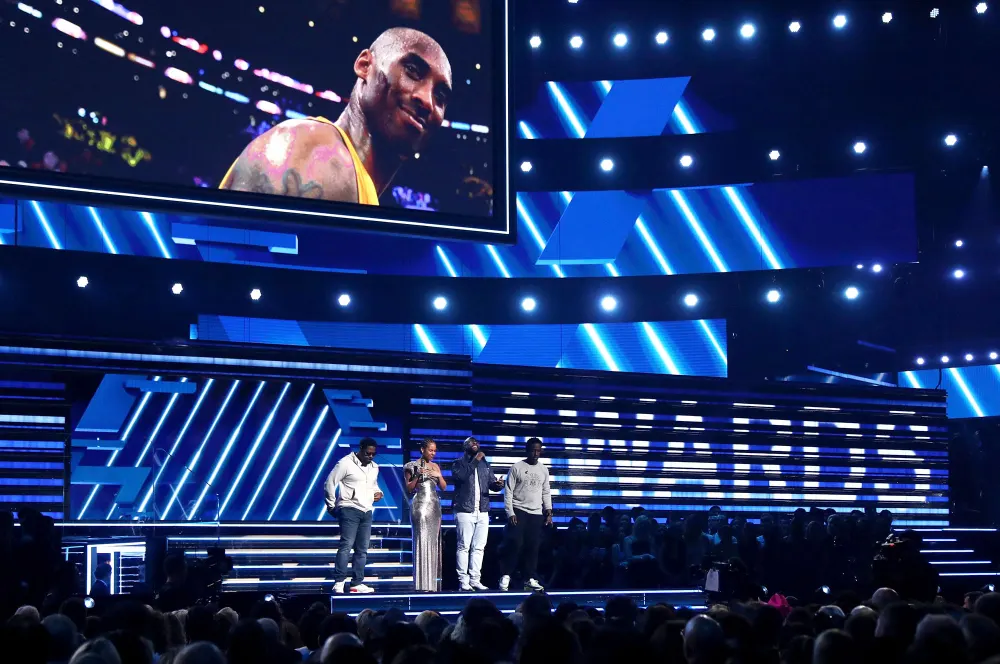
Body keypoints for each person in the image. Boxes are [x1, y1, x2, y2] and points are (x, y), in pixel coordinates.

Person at [220, 27, 452, 206]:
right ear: (365, 65)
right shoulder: (322, 156)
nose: (427, 101)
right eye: (412, 71)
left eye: (440, 96)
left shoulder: (352, 177)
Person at [325, 438, 383, 594]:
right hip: (349, 508)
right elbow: (330, 482)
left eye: (373, 454)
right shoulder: (345, 463)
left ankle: (356, 583)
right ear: (360, 449)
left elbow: (373, 485)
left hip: (367, 510)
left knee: (362, 549)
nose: (370, 456)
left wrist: (378, 492)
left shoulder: (374, 467)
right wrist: (331, 505)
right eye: (368, 453)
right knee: (346, 546)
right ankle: (339, 582)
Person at [450, 436, 504, 591]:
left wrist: (498, 485)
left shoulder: (484, 464)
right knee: (463, 546)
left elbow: (492, 484)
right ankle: (463, 581)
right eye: (472, 442)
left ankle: (475, 579)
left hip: (482, 510)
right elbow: (461, 477)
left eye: (477, 442)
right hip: (464, 509)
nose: (475, 444)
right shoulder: (458, 463)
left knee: (479, 547)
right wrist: (476, 460)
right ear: (465, 446)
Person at [499, 438, 552, 592]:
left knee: (533, 546)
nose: (536, 453)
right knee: (515, 543)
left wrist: (548, 511)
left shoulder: (543, 469)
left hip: (536, 513)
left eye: (538, 450)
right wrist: (510, 512)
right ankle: (506, 575)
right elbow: (508, 492)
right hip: (519, 510)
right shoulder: (517, 467)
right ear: (527, 450)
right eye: (533, 450)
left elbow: (546, 491)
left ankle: (529, 578)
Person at [404, 439, 446, 592]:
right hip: (420, 506)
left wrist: (438, 475)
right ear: (422, 450)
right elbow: (409, 488)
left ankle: (431, 585)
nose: (433, 453)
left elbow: (443, 487)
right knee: (421, 540)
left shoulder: (435, 466)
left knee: (433, 542)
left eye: (435, 451)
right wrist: (417, 475)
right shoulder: (410, 466)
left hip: (434, 506)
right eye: (430, 450)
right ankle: (420, 585)